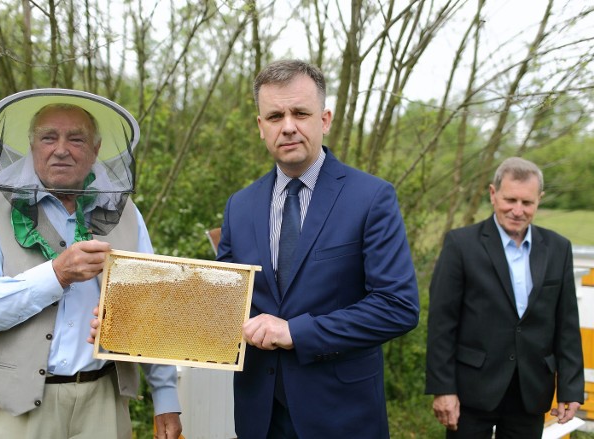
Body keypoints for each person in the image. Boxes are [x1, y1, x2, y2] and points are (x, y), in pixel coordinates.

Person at [0, 89, 182, 439]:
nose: (61, 149)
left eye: (76, 138)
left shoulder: (126, 215)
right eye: (49, 137)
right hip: (18, 412)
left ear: (96, 150)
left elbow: (150, 307)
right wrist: (55, 275)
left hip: (103, 402)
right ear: (32, 147)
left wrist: (165, 395)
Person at [216, 59, 420, 438]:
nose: (288, 126)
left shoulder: (371, 198)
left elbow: (398, 307)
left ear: (324, 119)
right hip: (259, 416)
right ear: (261, 127)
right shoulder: (239, 206)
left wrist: (296, 332)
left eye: (300, 113)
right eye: (275, 116)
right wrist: (133, 319)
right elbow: (224, 304)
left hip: (341, 416)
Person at [425, 157, 584, 438]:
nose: (518, 210)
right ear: (493, 194)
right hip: (472, 389)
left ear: (539, 200)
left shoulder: (559, 248)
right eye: (510, 200)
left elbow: (567, 324)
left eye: (527, 203)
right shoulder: (461, 245)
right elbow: (442, 323)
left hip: (531, 390)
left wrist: (570, 388)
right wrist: (443, 388)